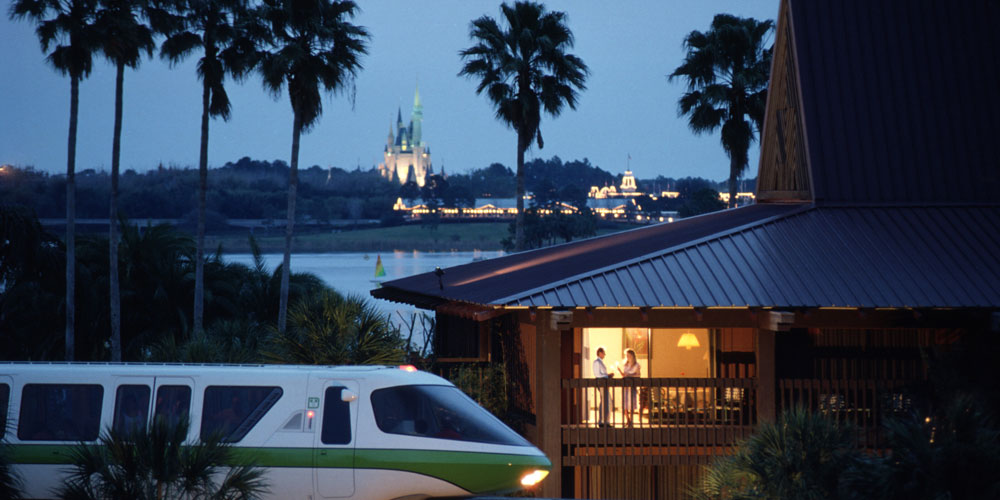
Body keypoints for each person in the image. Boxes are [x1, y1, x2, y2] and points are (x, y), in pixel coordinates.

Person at [617, 348, 641, 427]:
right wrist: (620, 371)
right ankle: (628, 420)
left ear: (632, 356)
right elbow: (624, 375)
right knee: (625, 404)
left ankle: (631, 420)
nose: (627, 357)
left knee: (631, 404)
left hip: (632, 386)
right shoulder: (625, 364)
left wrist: (630, 375)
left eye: (629, 355)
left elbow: (638, 375)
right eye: (626, 355)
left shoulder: (637, 365)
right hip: (625, 386)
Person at [593, 346, 614, 427]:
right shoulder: (596, 362)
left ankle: (605, 421)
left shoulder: (600, 362)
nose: (604, 355)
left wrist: (607, 376)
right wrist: (607, 376)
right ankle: (603, 421)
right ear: (600, 353)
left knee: (606, 401)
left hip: (604, 383)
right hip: (601, 383)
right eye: (603, 353)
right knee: (606, 401)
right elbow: (597, 374)